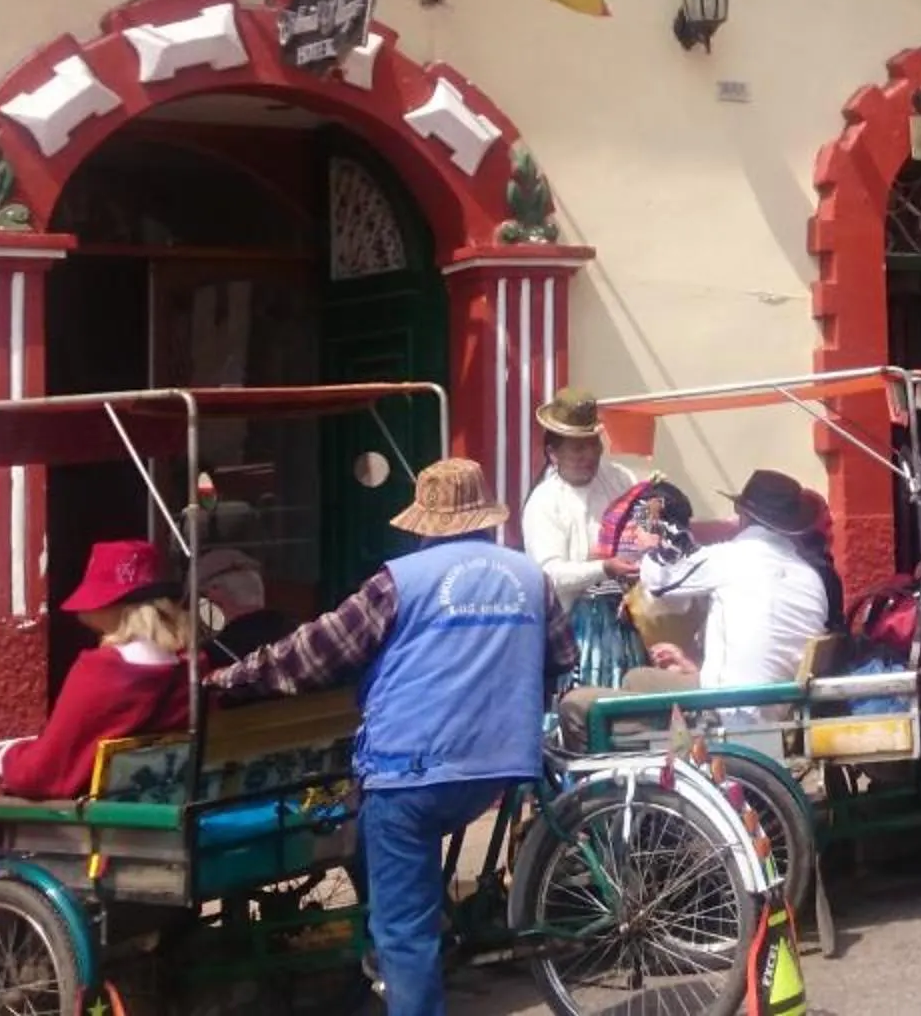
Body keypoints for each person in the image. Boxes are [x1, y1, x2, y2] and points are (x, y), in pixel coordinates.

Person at [208, 460, 557, 1016]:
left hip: (412, 770)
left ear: (424, 523)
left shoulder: (401, 581)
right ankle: (412, 935)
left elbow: (316, 653)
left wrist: (233, 677)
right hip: (501, 762)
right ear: (485, 517)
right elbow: (560, 659)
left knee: (403, 929)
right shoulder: (531, 577)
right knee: (377, 844)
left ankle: (407, 966)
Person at [0, 540, 192, 978]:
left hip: (90, 832)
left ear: (115, 607)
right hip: (155, 822)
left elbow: (47, 772)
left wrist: (7, 761)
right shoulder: (186, 672)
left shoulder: (103, 672)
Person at [557, 469, 834, 744]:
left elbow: (659, 579)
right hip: (771, 706)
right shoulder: (809, 577)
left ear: (743, 514)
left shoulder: (735, 558)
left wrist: (646, 531)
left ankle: (616, 782)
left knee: (576, 705)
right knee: (638, 679)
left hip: (728, 711)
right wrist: (693, 667)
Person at [518, 388, 644, 689]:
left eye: (593, 444)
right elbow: (549, 574)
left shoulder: (619, 479)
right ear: (553, 454)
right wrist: (604, 568)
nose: (589, 455)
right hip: (578, 630)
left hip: (628, 619)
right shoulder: (545, 503)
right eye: (577, 448)